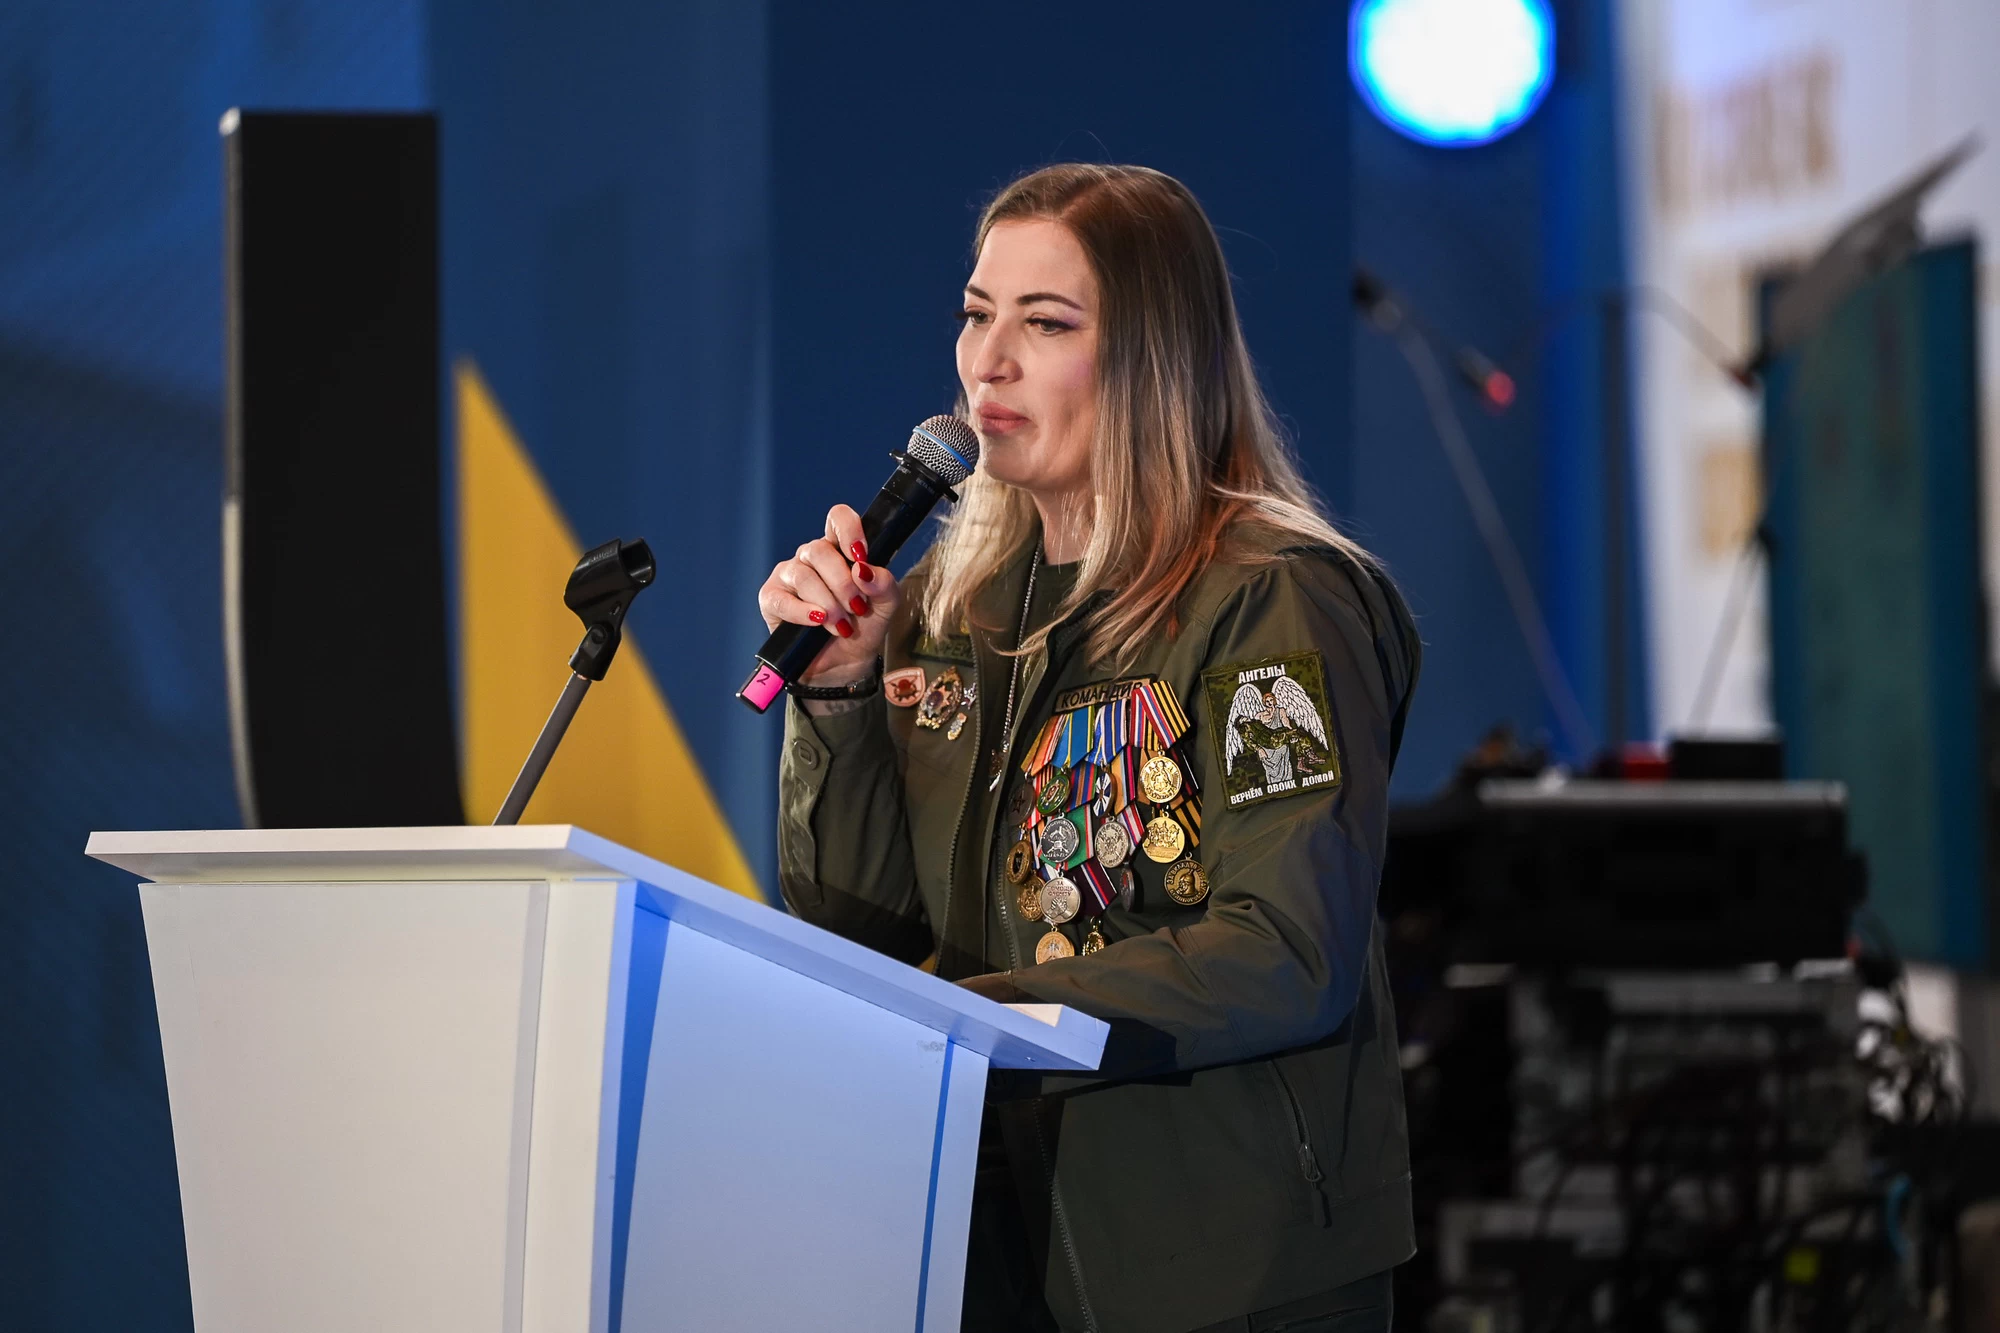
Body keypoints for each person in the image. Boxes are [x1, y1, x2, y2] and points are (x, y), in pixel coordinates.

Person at [758, 163, 1420, 1333]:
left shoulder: (1270, 598)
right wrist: (842, 696)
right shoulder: (949, 607)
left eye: (1046, 323)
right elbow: (862, 933)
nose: (987, 362)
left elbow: (1284, 952)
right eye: (976, 313)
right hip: (983, 1242)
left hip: (1222, 1265)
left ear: (1152, 357)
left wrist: (975, 1017)